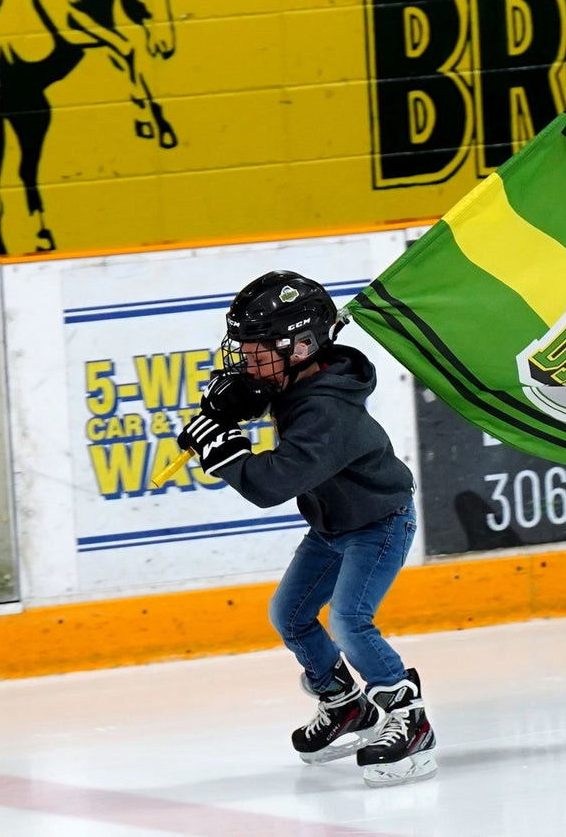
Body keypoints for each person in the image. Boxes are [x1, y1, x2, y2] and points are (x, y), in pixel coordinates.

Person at [176, 270, 437, 788]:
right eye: (244, 351)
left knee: (349, 622)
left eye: (256, 353)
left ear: (299, 348)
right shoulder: (299, 380)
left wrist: (222, 452)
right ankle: (344, 705)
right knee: (290, 615)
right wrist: (229, 407)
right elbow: (263, 397)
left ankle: (411, 719)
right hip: (331, 525)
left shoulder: (326, 410)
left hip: (378, 524)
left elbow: (270, 485)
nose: (246, 362)